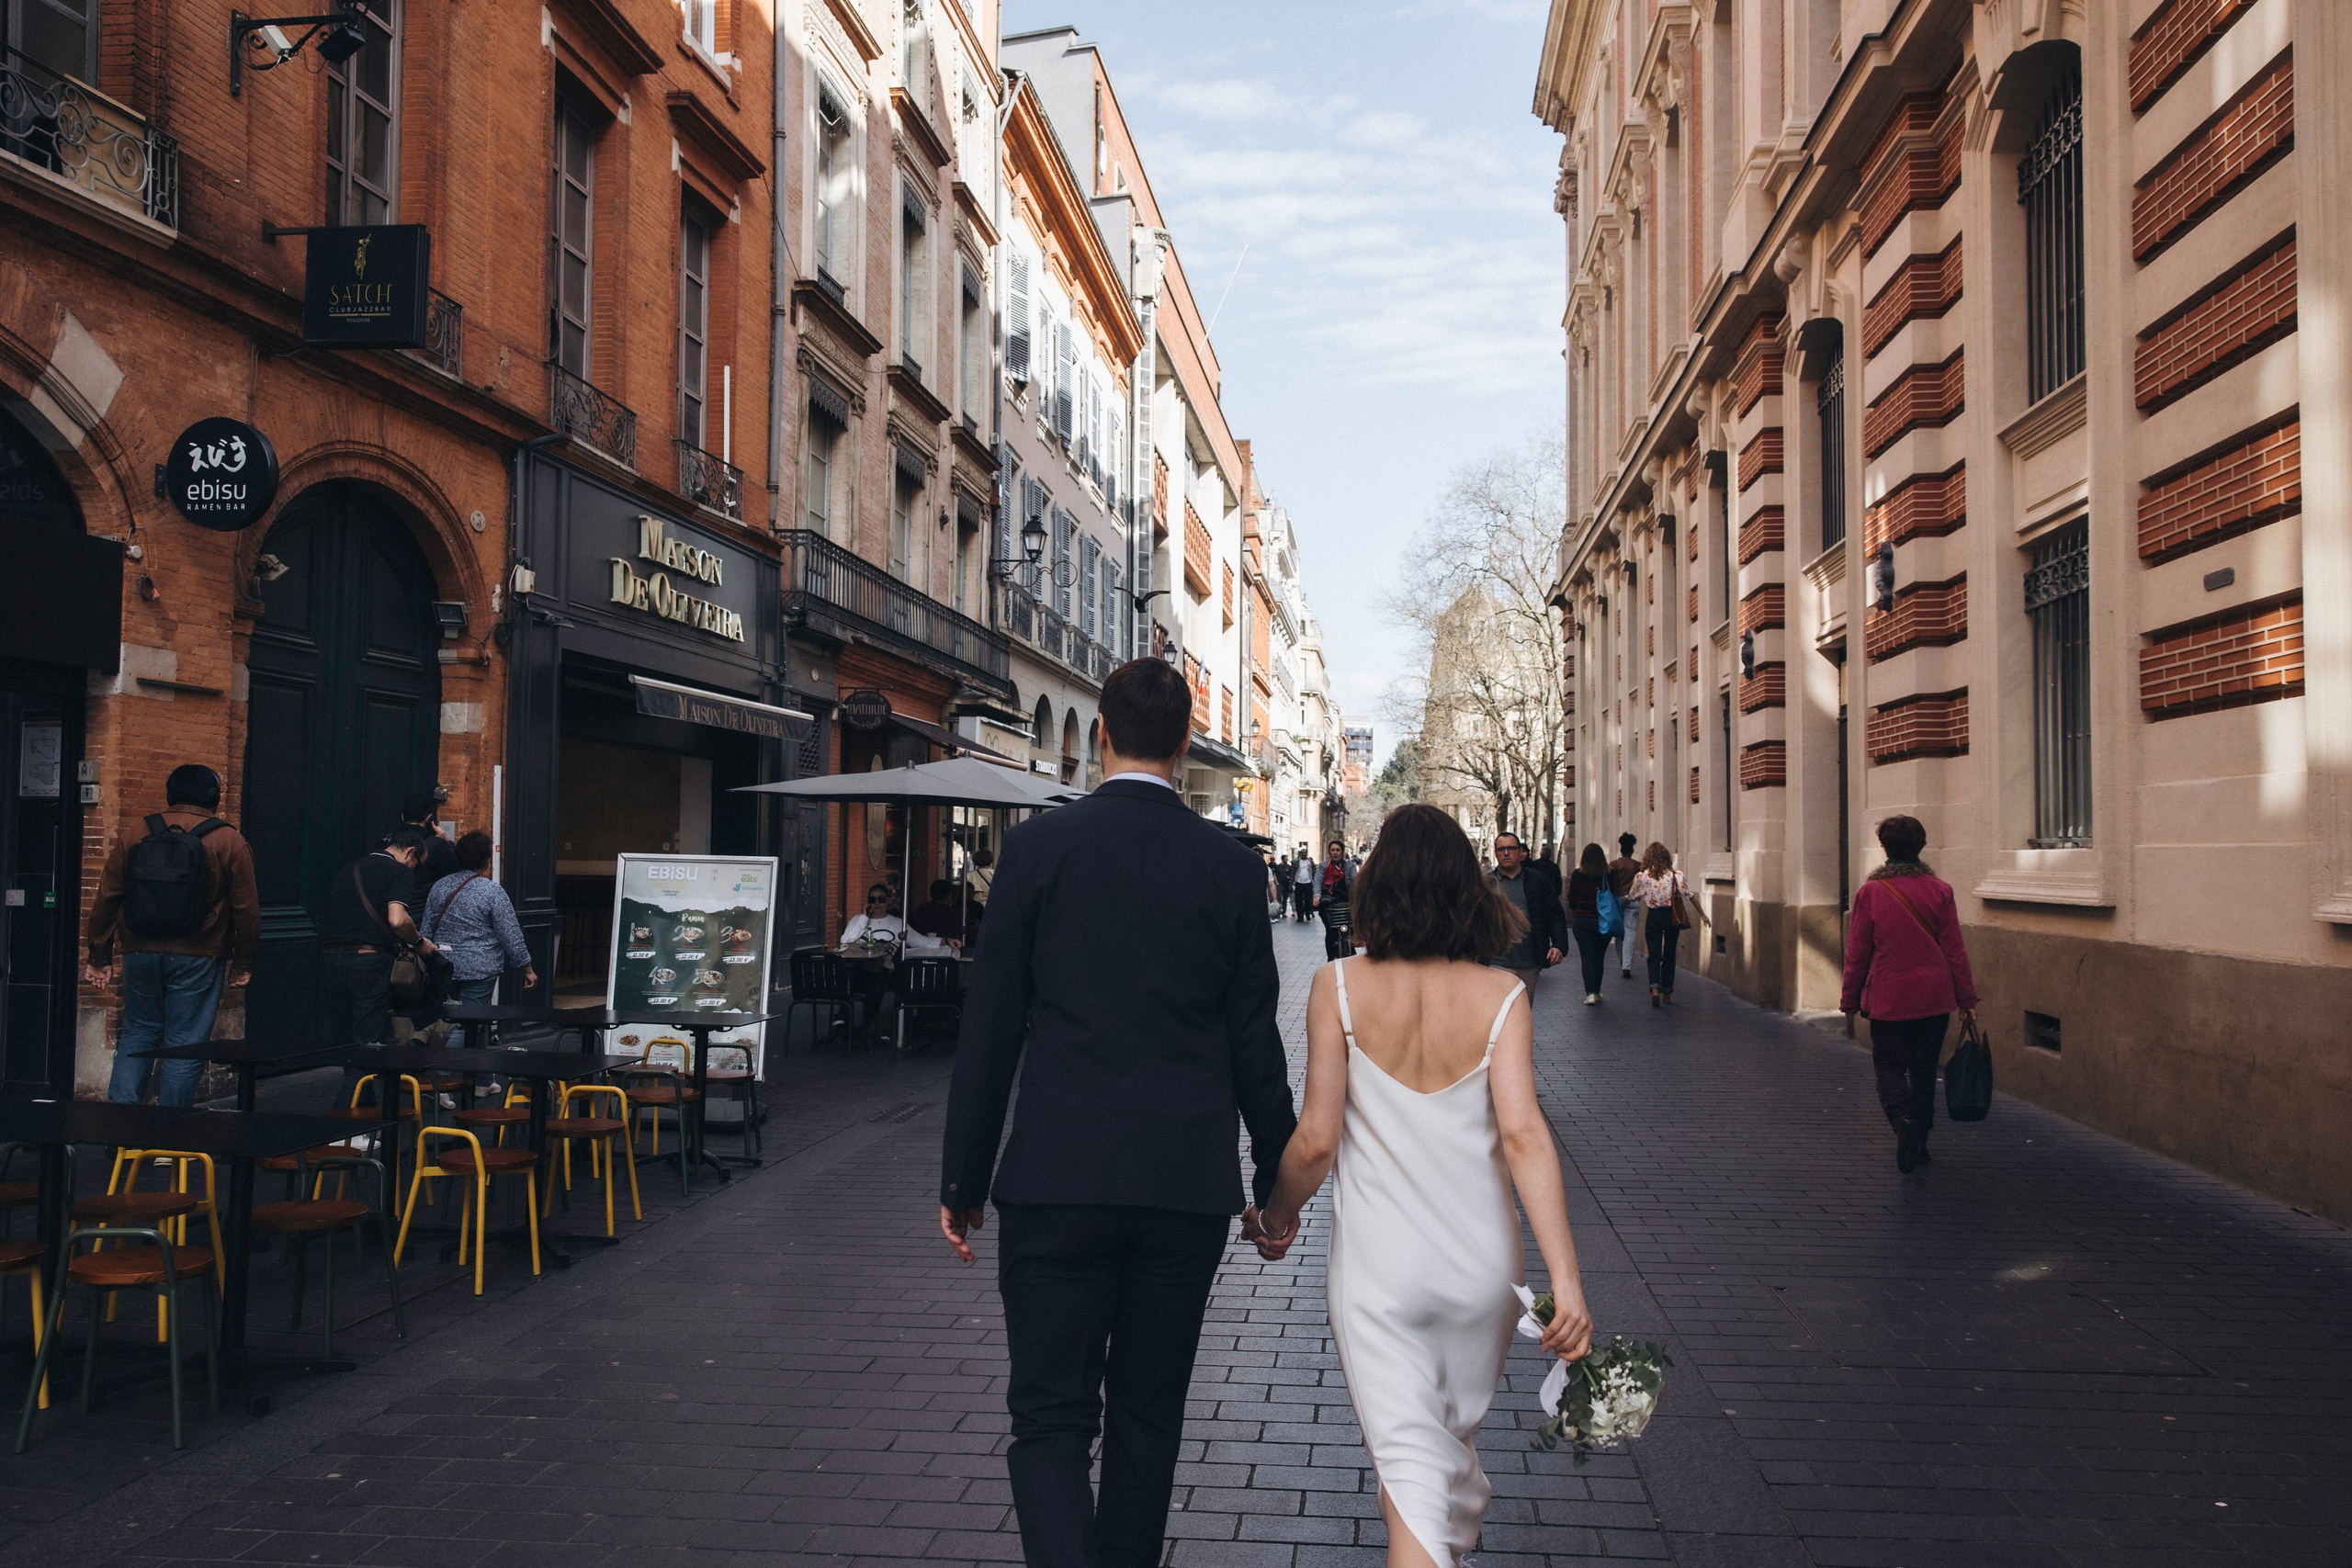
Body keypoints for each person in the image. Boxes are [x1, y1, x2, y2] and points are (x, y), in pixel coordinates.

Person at [940, 657, 1296, 1568]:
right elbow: (1253, 1038)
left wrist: (963, 1178)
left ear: (1101, 733)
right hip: (1183, 1186)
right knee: (1148, 1419)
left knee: (1049, 1419)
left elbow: (990, 1031)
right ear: (1183, 745)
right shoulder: (1229, 868)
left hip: (1056, 1175)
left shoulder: (1036, 852)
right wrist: (1274, 1180)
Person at [1252, 804, 1592, 1568]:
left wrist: (1276, 1214)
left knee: (1409, 1469)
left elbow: (1314, 1139)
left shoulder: (1338, 986)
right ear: (1464, 889)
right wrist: (1565, 1281)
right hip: (1483, 1270)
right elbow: (1524, 1134)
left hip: (1380, 1274)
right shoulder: (1503, 996)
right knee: (1437, 1453)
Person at [85, 763, 260, 1108]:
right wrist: (244, 961)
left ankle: (121, 1127)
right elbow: (247, 909)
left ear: (170, 794)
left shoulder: (135, 833)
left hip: (139, 950)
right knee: (185, 1041)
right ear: (214, 797)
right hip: (200, 952)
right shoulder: (229, 840)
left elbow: (107, 897)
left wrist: (99, 957)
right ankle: (169, 1137)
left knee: (138, 1031)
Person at [1840, 815, 1980, 1173]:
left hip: (1890, 996)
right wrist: (1966, 999)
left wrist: (1850, 999)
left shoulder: (1870, 893)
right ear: (1921, 846)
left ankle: (1904, 1124)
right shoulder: (1940, 890)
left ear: (1884, 848)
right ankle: (1922, 1139)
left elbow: (1858, 952)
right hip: (1934, 997)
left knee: (1888, 1065)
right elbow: (1955, 950)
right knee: (1923, 1069)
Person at [319, 825, 439, 1106]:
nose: (414, 871)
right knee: (369, 1044)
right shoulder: (397, 871)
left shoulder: (350, 869)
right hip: (368, 963)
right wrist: (420, 942)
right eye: (416, 865)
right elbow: (397, 919)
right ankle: (348, 1123)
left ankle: (364, 1110)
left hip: (331, 960)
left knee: (349, 1044)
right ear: (410, 851)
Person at [420, 830, 537, 1007]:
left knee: (449, 1019)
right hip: (481, 967)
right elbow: (510, 934)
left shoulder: (440, 886)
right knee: (470, 1023)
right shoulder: (492, 891)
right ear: (486, 860)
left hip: (443, 964)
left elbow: (427, 928)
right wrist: (526, 967)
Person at [1627, 841, 1708, 1006]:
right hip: (1672, 917)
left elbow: (1631, 896)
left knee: (1654, 953)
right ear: (1666, 857)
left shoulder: (1642, 877)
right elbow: (1689, 895)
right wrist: (1703, 914)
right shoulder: (1675, 875)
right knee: (1670, 953)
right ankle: (1667, 991)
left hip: (1654, 917)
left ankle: (1655, 986)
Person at [1485, 831, 1564, 988]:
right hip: (1497, 962)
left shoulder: (1538, 880)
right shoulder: (1486, 884)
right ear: (1496, 853)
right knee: (1501, 1011)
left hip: (1530, 961)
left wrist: (1558, 945)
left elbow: (1555, 915)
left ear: (1521, 852)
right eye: (1501, 849)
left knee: (1525, 1010)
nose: (1506, 853)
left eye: (1511, 848)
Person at [1565, 842, 1611, 1005]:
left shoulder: (1577, 875)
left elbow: (1571, 899)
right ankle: (1597, 990)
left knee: (1587, 957)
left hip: (1582, 920)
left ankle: (1590, 993)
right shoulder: (1609, 875)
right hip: (1603, 922)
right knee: (1599, 957)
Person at [1606, 833, 1643, 978]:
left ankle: (1622, 962)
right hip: (1632, 900)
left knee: (1619, 933)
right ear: (1632, 850)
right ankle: (1627, 965)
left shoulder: (1614, 865)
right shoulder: (1638, 866)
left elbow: (1609, 883)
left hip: (1617, 900)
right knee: (1630, 932)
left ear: (1621, 849)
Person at [910, 878, 967, 952]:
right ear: (949, 895)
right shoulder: (954, 914)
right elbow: (967, 936)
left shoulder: (919, 911)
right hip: (948, 953)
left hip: (920, 952)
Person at [1292, 848, 1317, 922]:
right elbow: (1293, 873)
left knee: (1308, 900)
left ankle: (1308, 914)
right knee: (1298, 900)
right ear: (1300, 854)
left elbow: (1315, 872)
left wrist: (1315, 883)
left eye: (1305, 852)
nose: (1303, 854)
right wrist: (1291, 884)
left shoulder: (1310, 862)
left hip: (1308, 883)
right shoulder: (1297, 862)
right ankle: (1300, 917)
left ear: (1307, 853)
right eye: (1302, 853)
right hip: (1299, 883)